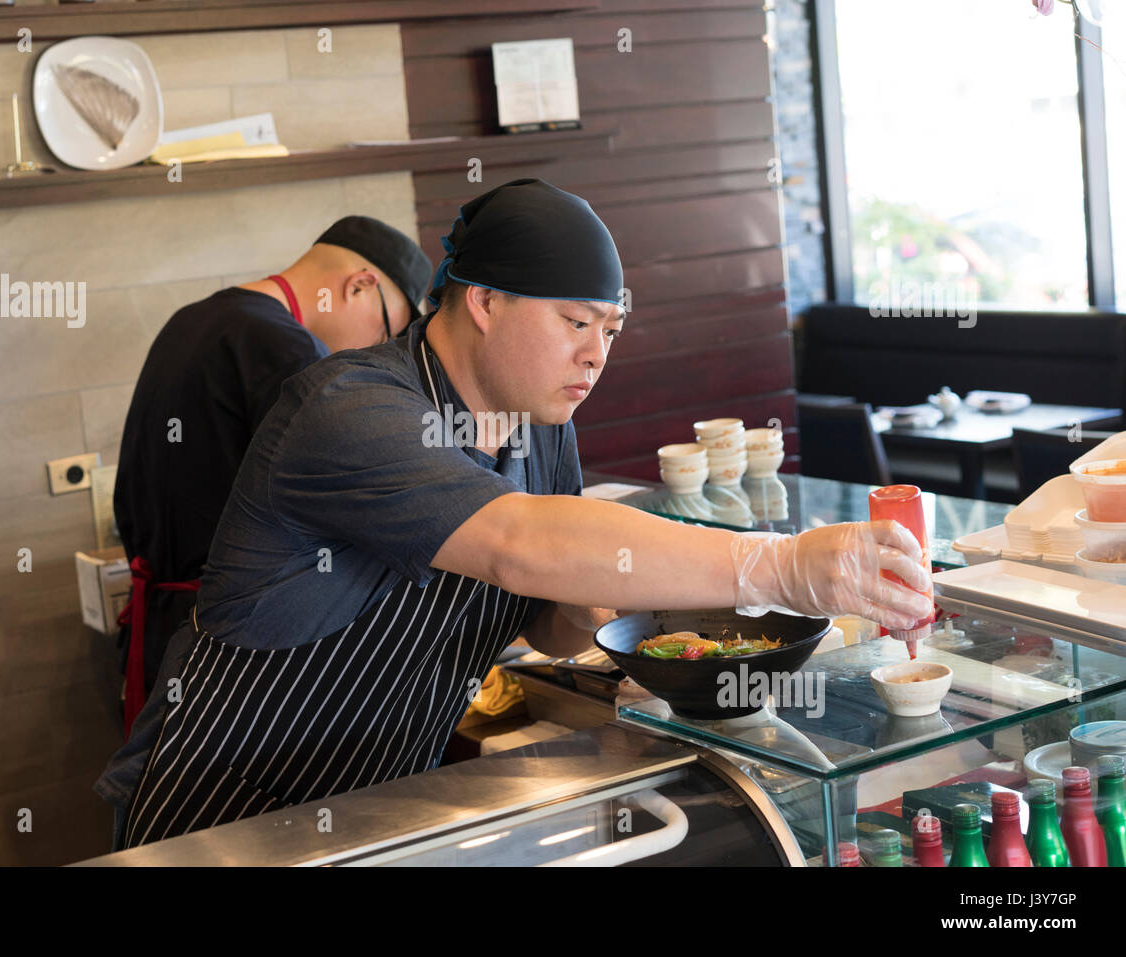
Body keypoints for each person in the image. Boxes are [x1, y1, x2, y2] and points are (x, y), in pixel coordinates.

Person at [96, 178, 932, 851]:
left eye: (610, 328)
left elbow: (547, 619)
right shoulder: (347, 410)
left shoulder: (540, 430)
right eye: (575, 322)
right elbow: (516, 543)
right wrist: (780, 564)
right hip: (231, 818)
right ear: (484, 301)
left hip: (384, 806)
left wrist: (596, 603)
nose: (596, 353)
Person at [111, 217, 431, 739]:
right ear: (359, 285)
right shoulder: (287, 349)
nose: (378, 346)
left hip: (167, 636)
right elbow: (355, 509)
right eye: (387, 329)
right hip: (225, 654)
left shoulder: (195, 318)